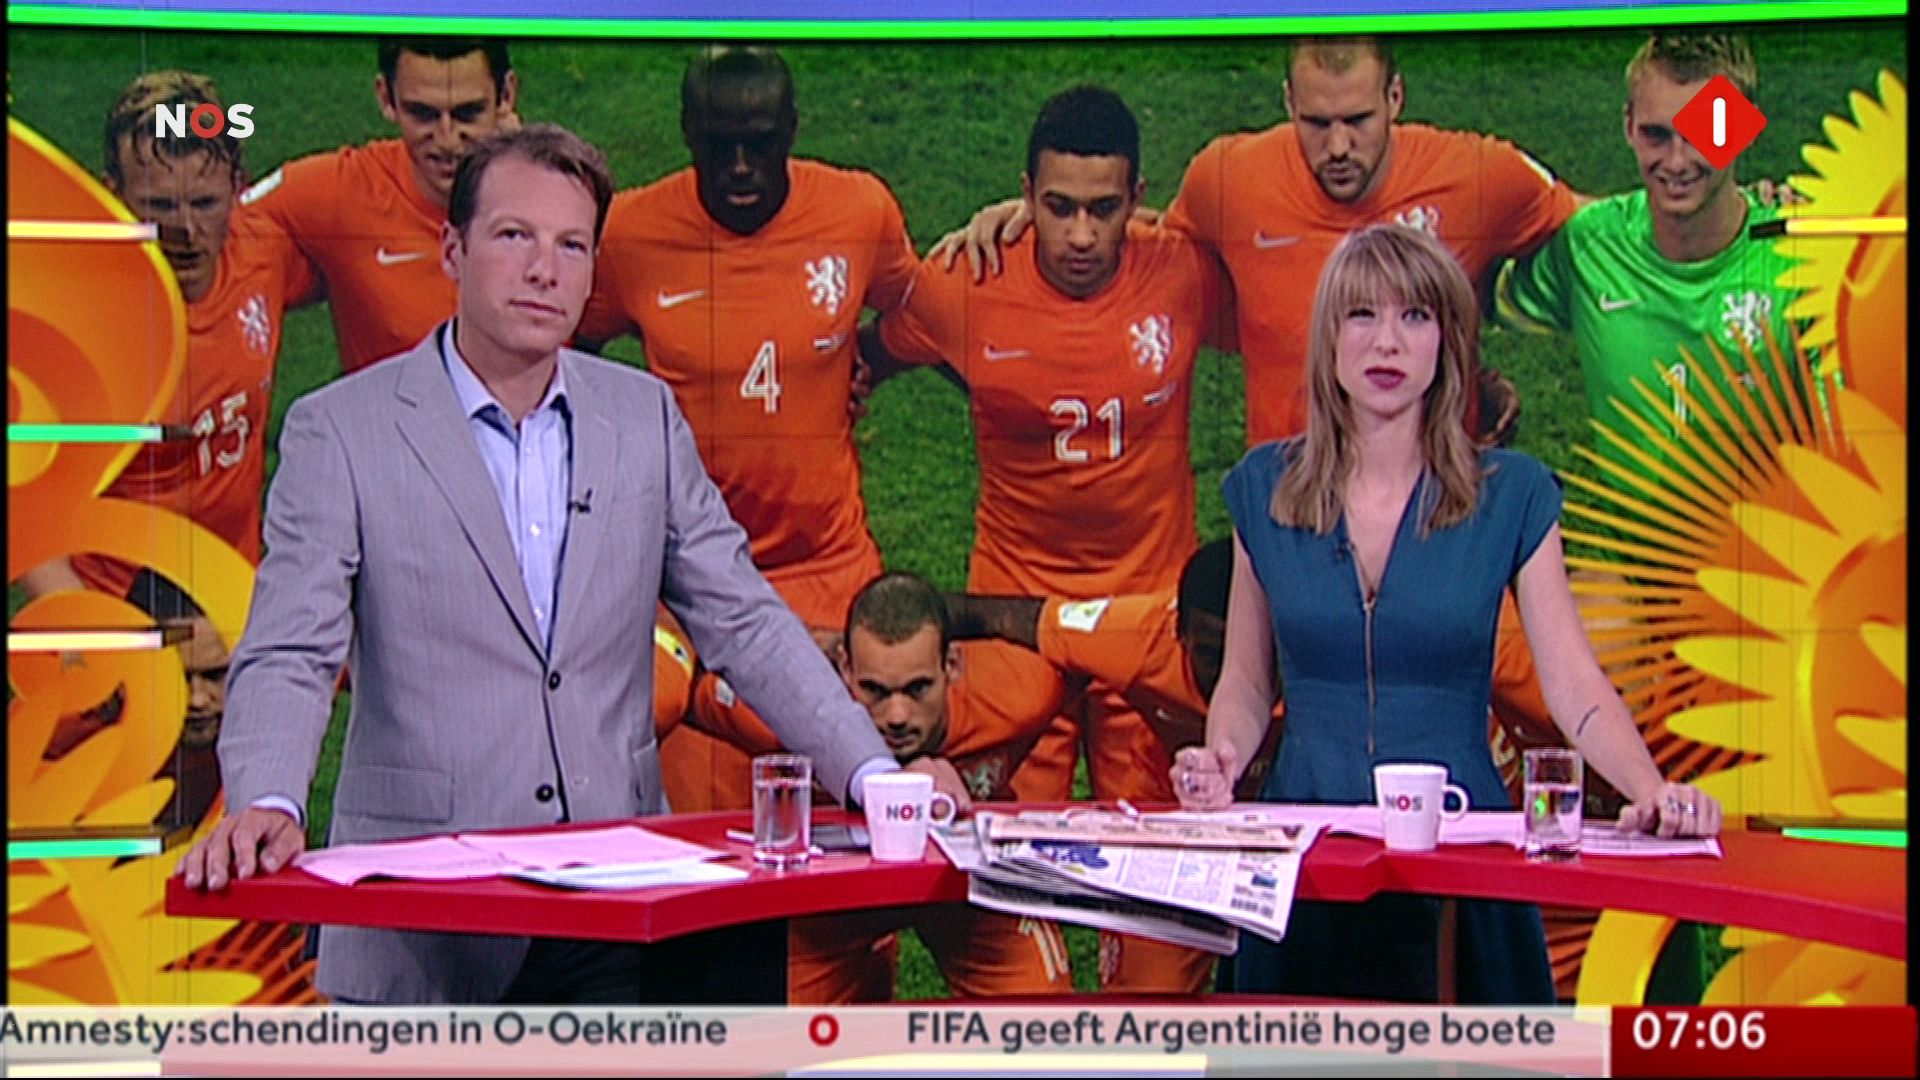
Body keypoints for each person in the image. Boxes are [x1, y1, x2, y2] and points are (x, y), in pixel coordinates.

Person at [176, 124, 963, 1006]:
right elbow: (292, 647)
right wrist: (269, 798)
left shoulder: (643, 419)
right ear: (453, 249)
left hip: (617, 905)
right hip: (421, 914)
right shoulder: (343, 430)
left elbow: (742, 617)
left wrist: (872, 775)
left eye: (572, 245)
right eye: (514, 236)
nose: (543, 270)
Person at [1173, 223, 1723, 1004]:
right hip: (1306, 858)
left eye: (1415, 316)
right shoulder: (1267, 489)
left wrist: (1649, 790)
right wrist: (1221, 758)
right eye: (1362, 315)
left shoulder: (1512, 496)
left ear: (1447, 344)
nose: (1387, 342)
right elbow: (1247, 683)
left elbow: (1574, 683)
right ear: (1329, 340)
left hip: (1461, 851)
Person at [861, 85, 1225, 994]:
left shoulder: (1184, 272)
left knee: (1157, 898)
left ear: (1138, 200)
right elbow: (863, 355)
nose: (1079, 234)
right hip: (1013, 625)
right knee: (1011, 873)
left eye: (1104, 209)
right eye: (1057, 207)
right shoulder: (967, 283)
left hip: (1147, 622)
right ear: (1025, 196)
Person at [576, 45, 919, 811]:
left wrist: (863, 360)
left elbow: (919, 313)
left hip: (828, 569)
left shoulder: (858, 211)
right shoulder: (630, 234)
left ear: (791, 129)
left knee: (848, 823)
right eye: (718, 144)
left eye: (758, 143)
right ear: (686, 132)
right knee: (708, 840)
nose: (738, 166)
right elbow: (567, 351)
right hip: (689, 584)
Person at [947, 36, 1578, 446]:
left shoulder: (1478, 176)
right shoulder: (1230, 179)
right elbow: (1155, 252)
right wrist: (1044, 215)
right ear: (1288, 101)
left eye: (1357, 120)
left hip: (1431, 507)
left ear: (1395, 97)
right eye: (1316, 122)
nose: (1338, 147)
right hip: (1293, 513)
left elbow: (1609, 223)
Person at [20, 71, 319, 770]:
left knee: (238, 802)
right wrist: (79, 624)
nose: (185, 231)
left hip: (229, 608)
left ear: (238, 189)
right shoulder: (74, 316)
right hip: (110, 609)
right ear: (113, 195)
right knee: (95, 805)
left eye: (205, 203)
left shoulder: (265, 252)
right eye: (158, 206)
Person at [689, 572, 1076, 1002]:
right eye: (874, 690)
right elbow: (675, 675)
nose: (897, 716)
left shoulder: (1021, 693)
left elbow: (1087, 647)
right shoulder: (777, 713)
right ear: (845, 669)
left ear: (952, 665)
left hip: (973, 892)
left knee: (1043, 1026)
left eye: (918, 688)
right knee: (781, 1038)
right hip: (829, 902)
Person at [1496, 31, 1819, 466]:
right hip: (1632, 515)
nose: (1678, 161)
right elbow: (1474, 288)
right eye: (1657, 135)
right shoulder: (1588, 246)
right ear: (1628, 126)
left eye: (1705, 134)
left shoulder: (1800, 257)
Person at [242, 38, 521, 374]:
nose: (447, 139)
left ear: (506, 95)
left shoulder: (559, 199)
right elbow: (220, 229)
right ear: (386, 98)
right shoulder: (345, 193)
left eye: (468, 113)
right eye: (423, 114)